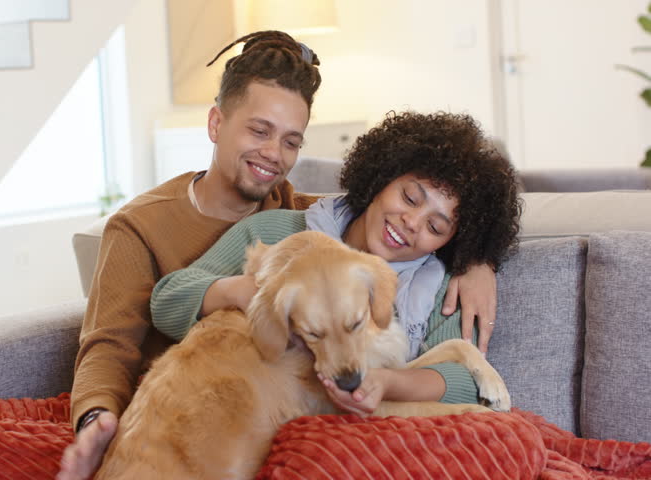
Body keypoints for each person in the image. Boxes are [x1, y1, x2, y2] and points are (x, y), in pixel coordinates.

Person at [57, 31, 498, 478]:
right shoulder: (254, 230)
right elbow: (125, 332)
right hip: (195, 411)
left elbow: (373, 231)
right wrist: (96, 418)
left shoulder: (305, 216)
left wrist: (476, 257)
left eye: (291, 141)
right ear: (216, 124)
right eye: (259, 130)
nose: (273, 153)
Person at [150, 110, 522, 415]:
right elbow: (167, 300)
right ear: (383, 177)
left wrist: (387, 383)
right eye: (410, 198)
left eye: (436, 226)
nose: (412, 223)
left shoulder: (440, 285)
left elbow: (464, 385)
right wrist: (254, 295)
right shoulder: (276, 232)